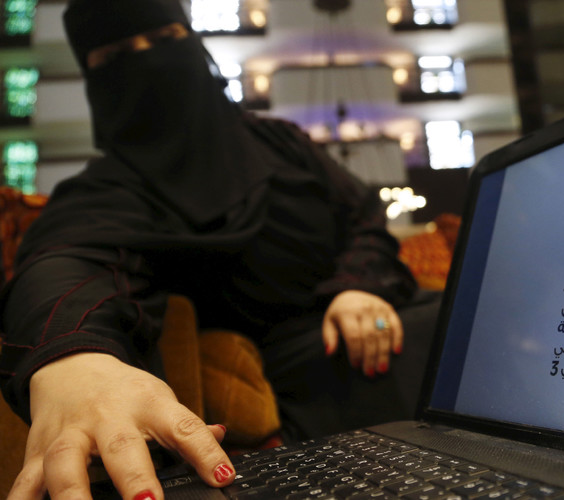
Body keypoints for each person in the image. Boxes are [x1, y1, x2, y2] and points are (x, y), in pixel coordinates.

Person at [0, 0, 440, 498]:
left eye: (166, 38)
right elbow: (64, 262)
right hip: (307, 362)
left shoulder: (281, 142)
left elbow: (362, 215)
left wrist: (358, 288)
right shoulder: (113, 190)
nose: (150, 61)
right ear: (94, 80)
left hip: (381, 310)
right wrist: (74, 358)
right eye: (119, 54)